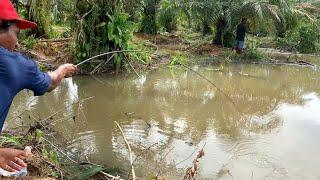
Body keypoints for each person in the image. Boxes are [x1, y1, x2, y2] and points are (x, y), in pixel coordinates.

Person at [0, 0, 77, 174]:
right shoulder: (14, 65)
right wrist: (63, 69)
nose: (17, 43)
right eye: (16, 33)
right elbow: (49, 83)